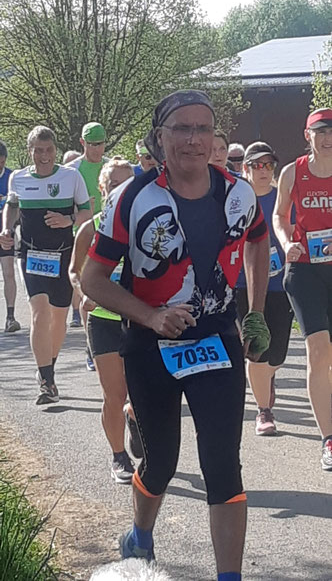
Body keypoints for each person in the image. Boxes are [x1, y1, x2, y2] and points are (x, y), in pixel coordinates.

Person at [81, 90, 270, 581]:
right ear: (160, 136)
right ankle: (140, 534)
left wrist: (256, 312)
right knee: (161, 460)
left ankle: (230, 575)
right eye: (181, 129)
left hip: (217, 338)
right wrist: (149, 316)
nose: (193, 139)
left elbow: (257, 238)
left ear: (213, 138)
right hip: (150, 343)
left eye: (202, 129)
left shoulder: (238, 192)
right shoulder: (132, 197)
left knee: (223, 462)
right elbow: (93, 277)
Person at [0, 126, 91, 404]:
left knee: (58, 319)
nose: (43, 156)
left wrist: (69, 221)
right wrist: (6, 229)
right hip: (31, 254)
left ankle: (48, 367)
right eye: (38, 151)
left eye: (48, 150)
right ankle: (46, 380)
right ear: (30, 151)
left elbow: (86, 212)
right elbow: (12, 206)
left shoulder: (70, 176)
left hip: (64, 255)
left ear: (55, 150)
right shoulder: (19, 177)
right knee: (39, 312)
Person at [69, 158, 141, 484]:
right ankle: (118, 457)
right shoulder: (91, 228)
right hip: (102, 319)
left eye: (128, 185)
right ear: (103, 189)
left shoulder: (148, 227)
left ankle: (134, 416)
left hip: (140, 319)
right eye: (114, 185)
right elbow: (75, 270)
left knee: (141, 392)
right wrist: (86, 290)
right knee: (114, 393)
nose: (121, 191)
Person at [273, 107, 332, 471]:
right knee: (318, 350)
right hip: (304, 270)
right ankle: (329, 438)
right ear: (307, 136)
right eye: (320, 132)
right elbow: (280, 215)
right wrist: (285, 243)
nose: (327, 139)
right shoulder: (293, 171)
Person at [237, 142, 294, 436]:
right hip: (242, 286)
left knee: (278, 354)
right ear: (245, 168)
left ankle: (266, 377)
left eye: (268, 165)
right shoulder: (237, 199)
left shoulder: (282, 200)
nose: (263, 171)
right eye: (257, 165)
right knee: (255, 348)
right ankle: (264, 411)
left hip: (280, 284)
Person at [67, 122, 109, 357]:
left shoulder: (111, 167)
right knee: (87, 286)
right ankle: (90, 342)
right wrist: (80, 212)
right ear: (82, 143)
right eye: (92, 144)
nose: (97, 149)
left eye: (101, 144)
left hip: (110, 233)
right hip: (81, 233)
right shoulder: (72, 170)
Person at [0, 140, 21, 333]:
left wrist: (10, 228)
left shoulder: (11, 177)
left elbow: (17, 208)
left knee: (8, 272)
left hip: (5, 233)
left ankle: (10, 316)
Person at [62, 149, 83, 327]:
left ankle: (78, 311)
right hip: (71, 234)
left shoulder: (79, 179)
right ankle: (76, 311)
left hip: (85, 230)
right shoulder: (63, 182)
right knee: (75, 271)